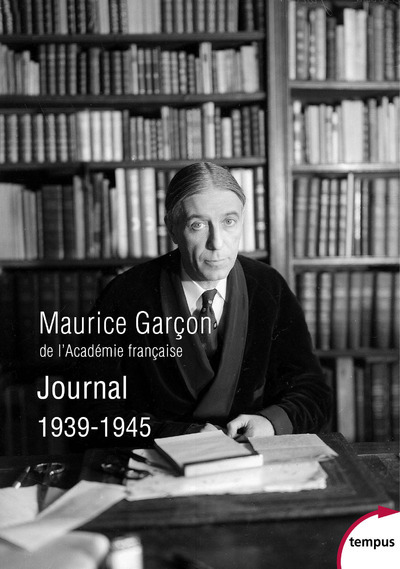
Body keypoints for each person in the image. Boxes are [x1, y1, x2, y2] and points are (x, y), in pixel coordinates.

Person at [71, 162, 331, 446]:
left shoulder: (268, 286)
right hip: (158, 458)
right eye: (198, 225)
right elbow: (91, 409)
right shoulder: (125, 294)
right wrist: (177, 435)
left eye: (228, 222)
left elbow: (313, 390)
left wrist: (270, 422)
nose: (216, 243)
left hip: (251, 455)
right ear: (172, 229)